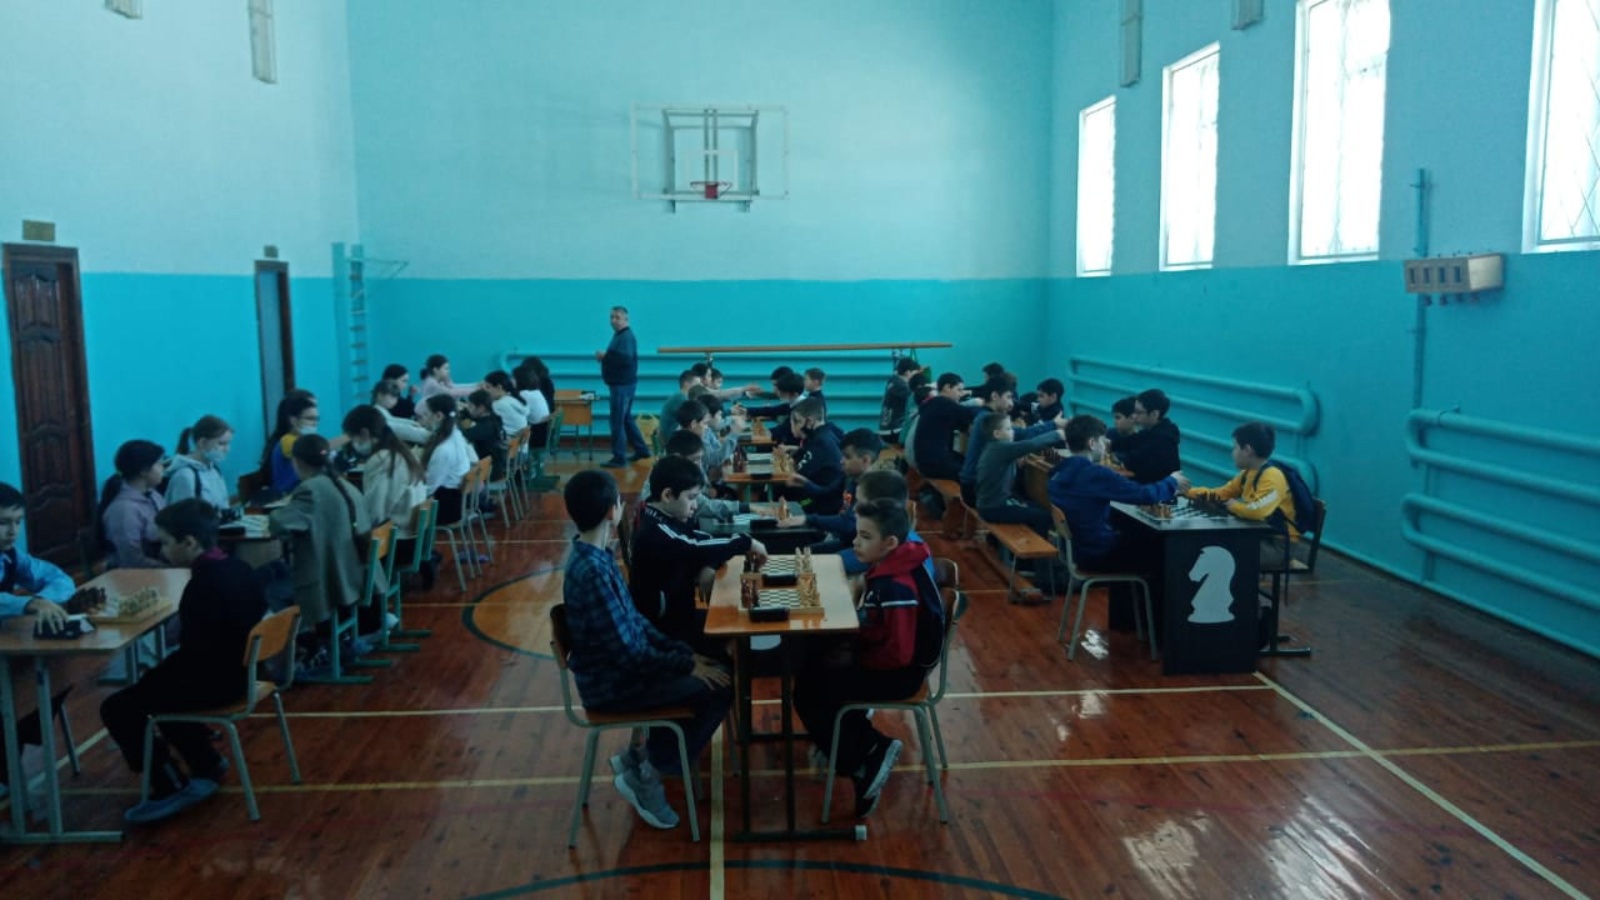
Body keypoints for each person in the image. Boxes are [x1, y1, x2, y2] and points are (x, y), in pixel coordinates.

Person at [560, 469, 733, 831]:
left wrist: (685, 655)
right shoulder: (593, 571)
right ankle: (650, 775)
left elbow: (637, 624)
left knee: (713, 664)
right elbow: (630, 654)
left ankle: (641, 757)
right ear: (613, 512)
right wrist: (684, 663)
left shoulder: (595, 556)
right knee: (720, 687)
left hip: (622, 672)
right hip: (614, 686)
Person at [103, 499, 267, 825]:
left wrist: (155, 679)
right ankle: (206, 762)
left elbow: (194, 653)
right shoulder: (238, 567)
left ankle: (168, 784)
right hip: (245, 672)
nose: (162, 550)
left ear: (189, 542)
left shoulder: (203, 584)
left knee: (117, 707)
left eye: (165, 543)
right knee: (157, 689)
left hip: (220, 681)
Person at [794, 498, 941, 818]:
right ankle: (853, 749)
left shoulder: (897, 586)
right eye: (856, 534)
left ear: (890, 543)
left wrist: (855, 659)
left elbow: (898, 653)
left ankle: (869, 752)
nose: (855, 543)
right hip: (890, 663)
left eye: (864, 536)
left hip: (900, 674)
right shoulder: (892, 566)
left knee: (810, 691)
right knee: (812, 667)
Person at [629, 456, 766, 656]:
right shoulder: (655, 532)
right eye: (691, 498)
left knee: (739, 622)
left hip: (680, 618)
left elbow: (699, 539)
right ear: (667, 495)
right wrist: (746, 543)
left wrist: (709, 563)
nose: (695, 506)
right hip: (667, 633)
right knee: (741, 632)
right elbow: (693, 547)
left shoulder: (663, 518)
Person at [268, 435, 370, 669]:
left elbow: (280, 525)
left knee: (271, 590)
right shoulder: (343, 483)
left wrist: (278, 511)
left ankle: (308, 644)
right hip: (351, 573)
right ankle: (333, 640)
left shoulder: (310, 489)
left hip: (326, 580)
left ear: (297, 462)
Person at [0, 483, 74, 795]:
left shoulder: (11, 556)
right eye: (3, 522)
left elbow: (59, 578)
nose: (13, 531)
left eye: (18, 521)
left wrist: (42, 599)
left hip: (6, 646)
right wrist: (27, 604)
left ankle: (13, 741)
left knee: (60, 671)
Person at [1048, 415, 1189, 572]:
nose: (1106, 445)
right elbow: (1144, 495)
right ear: (1092, 443)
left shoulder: (1058, 473)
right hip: (1097, 554)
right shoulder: (1095, 474)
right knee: (1164, 546)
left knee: (1133, 531)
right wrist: (1172, 481)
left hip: (1074, 550)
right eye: (1103, 440)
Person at [1185, 422, 1303, 567]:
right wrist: (1186, 491)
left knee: (1220, 549)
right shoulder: (1249, 473)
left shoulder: (1273, 476)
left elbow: (1258, 510)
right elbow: (1221, 494)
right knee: (1212, 542)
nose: (1232, 453)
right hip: (1258, 536)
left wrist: (1233, 506)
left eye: (1235, 447)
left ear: (1247, 450)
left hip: (1278, 546)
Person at [959, 377, 1056, 508]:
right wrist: (1055, 425)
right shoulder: (988, 418)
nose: (1011, 403)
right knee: (1036, 507)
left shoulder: (983, 415)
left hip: (973, 484)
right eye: (1008, 397)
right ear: (995, 396)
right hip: (976, 488)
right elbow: (1023, 434)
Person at [780, 428, 882, 552]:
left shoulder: (874, 489)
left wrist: (807, 519)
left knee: (809, 554)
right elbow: (827, 493)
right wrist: (806, 484)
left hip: (863, 549)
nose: (841, 461)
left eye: (847, 457)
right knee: (805, 550)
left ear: (865, 460)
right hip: (845, 539)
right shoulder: (850, 477)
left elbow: (849, 524)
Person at [836, 470, 937, 580]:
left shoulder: (883, 549)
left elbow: (836, 563)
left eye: (861, 503)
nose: (855, 508)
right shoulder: (897, 532)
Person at [99, 440, 168, 569]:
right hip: (134, 575)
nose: (163, 468)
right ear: (144, 471)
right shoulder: (123, 510)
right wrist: (173, 567)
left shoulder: (153, 495)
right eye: (159, 464)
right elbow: (132, 561)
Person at [597, 306, 651, 468]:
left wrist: (605, 356)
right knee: (626, 418)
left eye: (617, 317)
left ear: (626, 319)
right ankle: (642, 450)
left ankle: (619, 457)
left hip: (622, 385)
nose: (613, 320)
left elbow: (625, 360)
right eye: (611, 317)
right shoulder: (620, 336)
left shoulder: (626, 337)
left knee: (617, 421)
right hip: (623, 384)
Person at [418, 394, 478, 527]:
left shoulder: (443, 450)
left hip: (445, 508)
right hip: (455, 501)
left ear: (438, 416)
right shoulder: (457, 434)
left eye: (426, 414)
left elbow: (430, 488)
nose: (423, 419)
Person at [779, 397, 846, 515]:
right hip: (830, 498)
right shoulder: (828, 433)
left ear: (809, 422)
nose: (793, 426)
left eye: (796, 422)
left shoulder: (819, 443)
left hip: (817, 502)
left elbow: (798, 475)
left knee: (788, 500)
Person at [911, 373, 980, 480]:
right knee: (975, 472)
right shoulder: (945, 404)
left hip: (925, 462)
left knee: (966, 462)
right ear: (947, 387)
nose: (961, 394)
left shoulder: (932, 403)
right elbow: (971, 417)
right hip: (935, 464)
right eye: (959, 390)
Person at [165, 415, 233, 509]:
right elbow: (182, 515)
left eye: (228, 443)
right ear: (202, 443)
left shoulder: (214, 469)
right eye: (221, 444)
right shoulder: (185, 476)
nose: (227, 449)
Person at [261, 391, 319, 495]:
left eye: (317, 419)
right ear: (293, 420)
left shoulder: (300, 439)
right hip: (288, 495)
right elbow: (314, 454)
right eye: (310, 419)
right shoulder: (287, 440)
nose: (315, 423)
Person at [1119, 389, 1182, 484]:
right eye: (1134, 411)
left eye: (1138, 412)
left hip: (1159, 490)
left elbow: (1132, 462)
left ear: (1154, 414)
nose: (1134, 416)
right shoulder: (1151, 430)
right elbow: (1128, 443)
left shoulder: (1163, 439)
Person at [371, 379, 432, 444]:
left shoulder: (380, 410)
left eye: (396, 398)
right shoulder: (375, 413)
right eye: (392, 397)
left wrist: (413, 423)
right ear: (380, 396)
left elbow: (394, 420)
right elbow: (396, 428)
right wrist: (425, 434)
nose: (395, 401)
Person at [877, 357, 921, 442]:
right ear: (908, 372)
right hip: (894, 431)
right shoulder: (901, 387)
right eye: (915, 373)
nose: (916, 377)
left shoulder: (893, 381)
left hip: (887, 429)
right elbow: (916, 398)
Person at [514, 365, 553, 448]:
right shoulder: (536, 392)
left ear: (519, 380)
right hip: (542, 433)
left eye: (513, 378)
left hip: (534, 436)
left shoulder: (524, 394)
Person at [483, 370, 529, 440]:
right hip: (520, 443)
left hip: (509, 444)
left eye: (488, 387)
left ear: (499, 387)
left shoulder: (498, 404)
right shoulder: (513, 399)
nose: (485, 391)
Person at [1106, 395, 1138, 461]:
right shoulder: (1109, 434)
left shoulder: (1140, 442)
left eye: (1118, 418)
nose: (1114, 422)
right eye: (1114, 418)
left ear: (1132, 418)